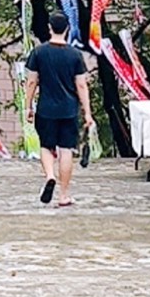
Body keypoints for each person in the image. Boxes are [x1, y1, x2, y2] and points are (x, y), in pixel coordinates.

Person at [24, 12, 94, 206]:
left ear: (49, 28)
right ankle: (63, 195)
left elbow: (32, 82)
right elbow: (81, 85)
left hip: (45, 108)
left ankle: (49, 176)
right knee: (66, 150)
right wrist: (87, 112)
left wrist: (28, 106)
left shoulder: (38, 53)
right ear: (67, 29)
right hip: (69, 109)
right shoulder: (75, 55)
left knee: (46, 146)